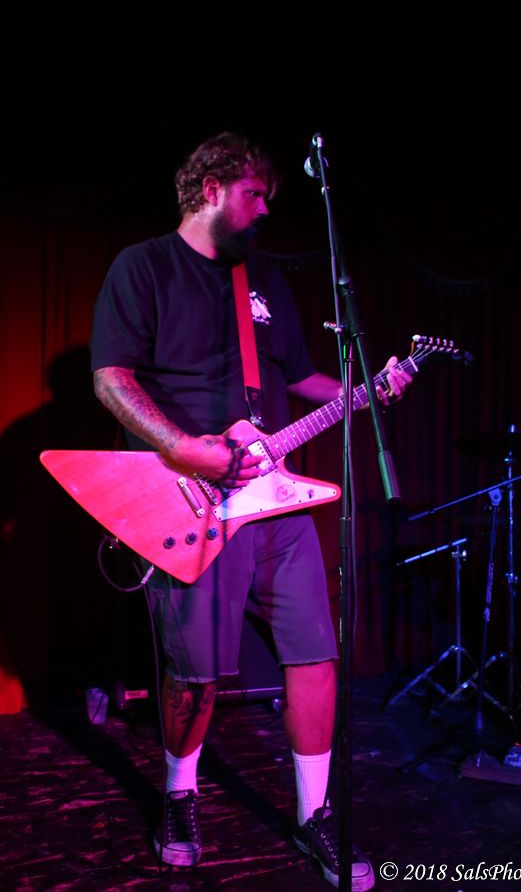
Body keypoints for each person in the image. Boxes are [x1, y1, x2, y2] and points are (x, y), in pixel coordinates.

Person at [90, 131, 411, 890]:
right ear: (211, 188)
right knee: (194, 673)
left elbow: (298, 377)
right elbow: (111, 379)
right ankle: (179, 795)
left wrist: (368, 387)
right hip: (190, 501)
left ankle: (314, 814)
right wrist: (184, 449)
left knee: (316, 654)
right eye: (255, 194)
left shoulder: (261, 280)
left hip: (276, 501)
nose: (266, 210)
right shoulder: (143, 266)